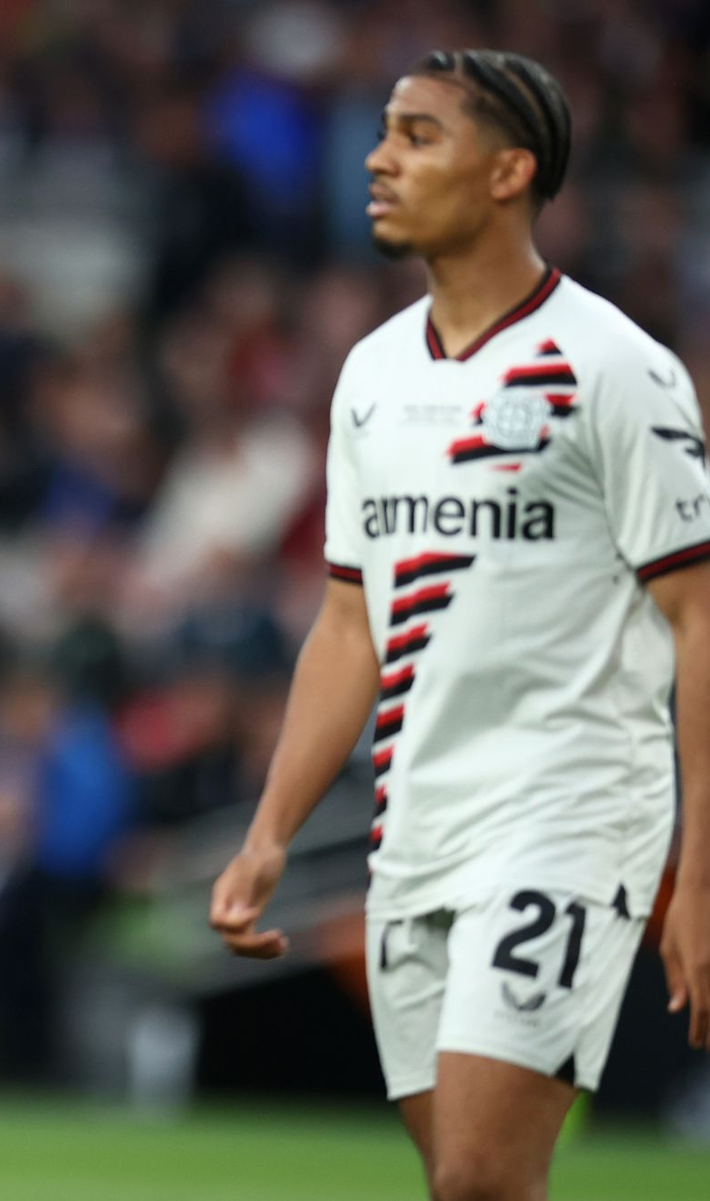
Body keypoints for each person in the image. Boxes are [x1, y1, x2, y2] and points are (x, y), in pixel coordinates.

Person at [210, 49, 710, 1201]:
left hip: (569, 814)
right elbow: (348, 625)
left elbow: (698, 616)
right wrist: (272, 829)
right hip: (419, 823)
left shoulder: (615, 368)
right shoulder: (374, 374)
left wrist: (700, 864)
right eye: (385, 132)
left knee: (484, 1174)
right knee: (468, 1186)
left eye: (420, 135)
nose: (379, 158)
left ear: (509, 172)